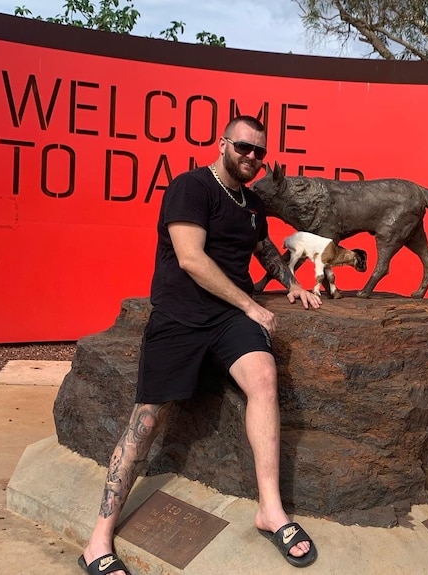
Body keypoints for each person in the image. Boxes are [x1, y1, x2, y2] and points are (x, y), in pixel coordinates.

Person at [78, 116, 321, 574]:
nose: (252, 158)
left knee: (264, 378)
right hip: (181, 315)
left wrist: (292, 283)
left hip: (225, 319)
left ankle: (271, 511)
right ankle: (98, 541)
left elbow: (263, 246)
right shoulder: (190, 187)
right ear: (224, 143)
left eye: (260, 153)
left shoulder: (250, 202)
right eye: (245, 148)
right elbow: (190, 258)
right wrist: (251, 306)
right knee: (146, 419)